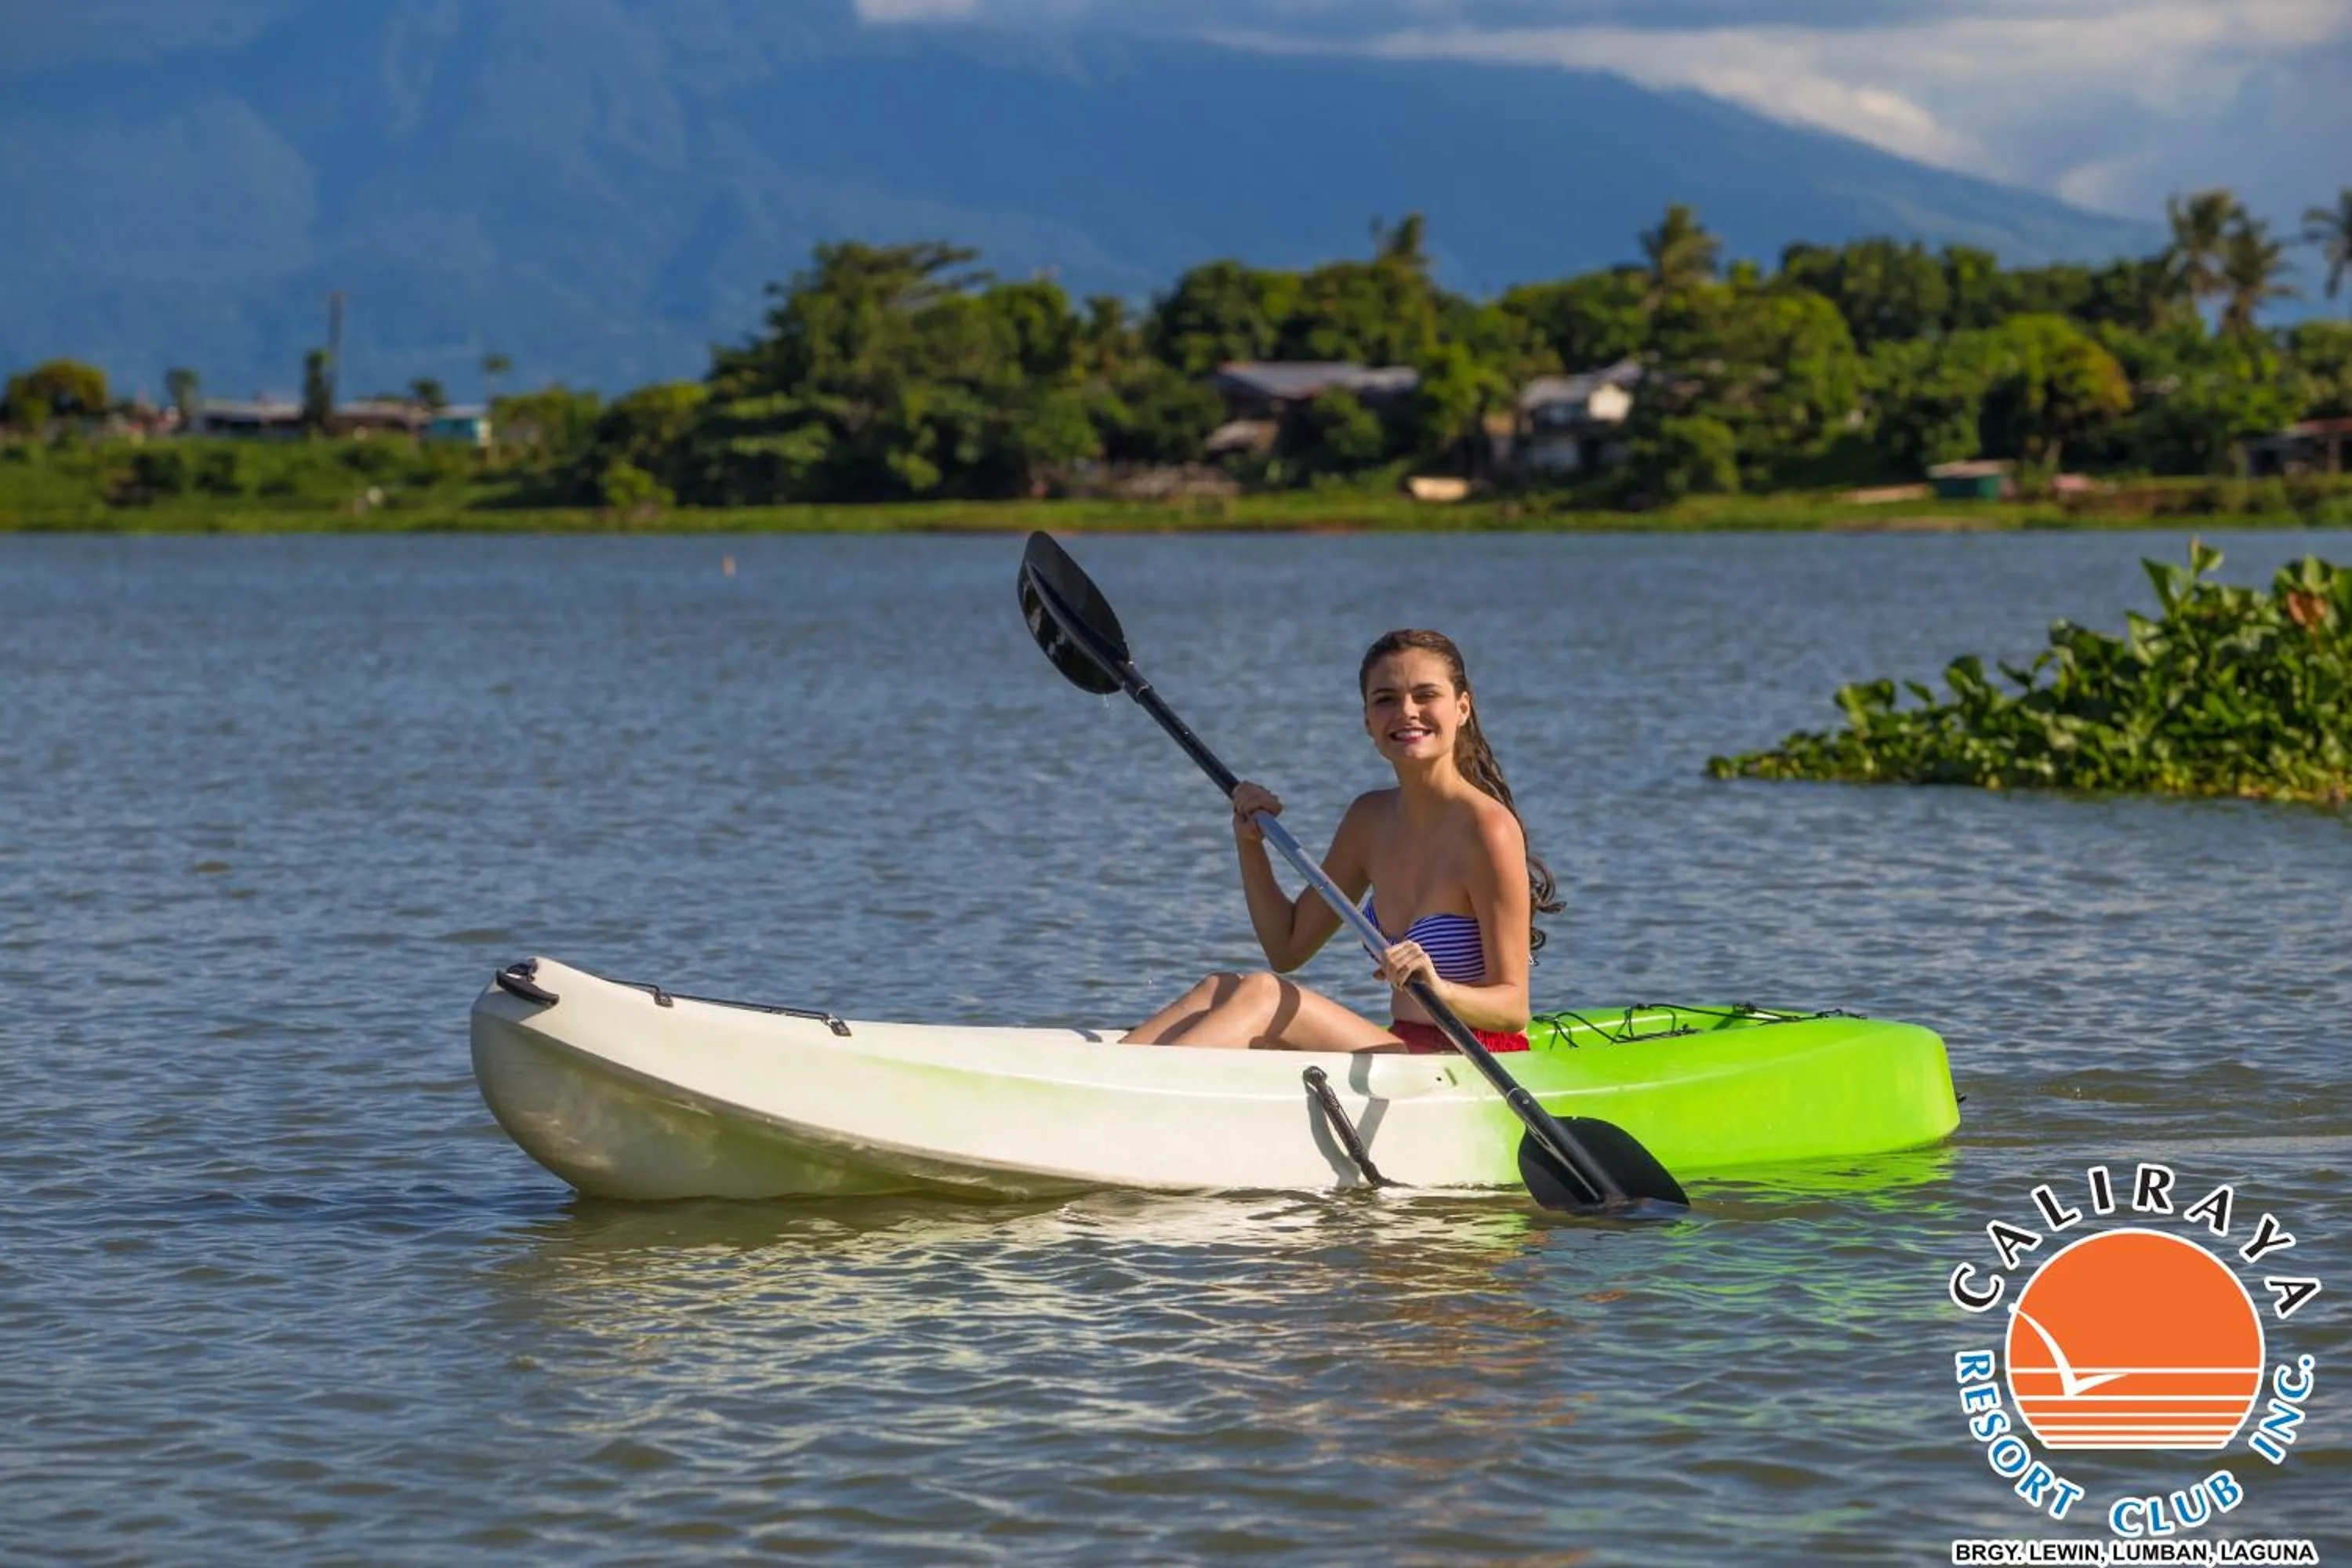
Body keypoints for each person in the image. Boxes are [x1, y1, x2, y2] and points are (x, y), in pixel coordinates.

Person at [1123, 629, 1562, 1054]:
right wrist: (1250, 844)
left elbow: (1514, 1009)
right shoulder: (1369, 819)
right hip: (1406, 1047)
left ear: (1462, 708)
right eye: (1386, 700)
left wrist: (1438, 986)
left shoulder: (1488, 829)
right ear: (1368, 722)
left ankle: (1128, 1101)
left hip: (1473, 1057)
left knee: (1262, 995)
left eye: (1426, 695)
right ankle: (1106, 1080)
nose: (1407, 711)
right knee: (1219, 988)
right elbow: (1287, 947)